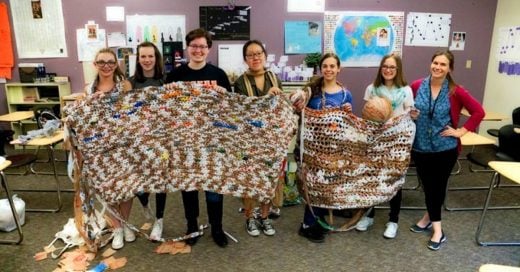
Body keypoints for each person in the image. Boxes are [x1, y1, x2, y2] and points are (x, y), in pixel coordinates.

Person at [409, 50, 484, 251]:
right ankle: (427, 218)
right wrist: (411, 114)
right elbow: (407, 109)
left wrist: (461, 131)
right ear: (430, 64)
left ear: (449, 68)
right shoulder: (416, 86)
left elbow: (479, 112)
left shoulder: (456, 91)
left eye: (443, 64)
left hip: (445, 148)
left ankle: (438, 231)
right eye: (435, 63)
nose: (438, 67)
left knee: (437, 188)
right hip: (421, 147)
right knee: (428, 186)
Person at [165, 28, 232, 248]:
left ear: (209, 49)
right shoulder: (176, 75)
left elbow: (229, 108)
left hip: (212, 140)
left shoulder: (219, 75)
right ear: (188, 47)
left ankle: (216, 227)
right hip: (185, 140)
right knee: (189, 185)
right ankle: (192, 225)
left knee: (214, 186)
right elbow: (165, 108)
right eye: (194, 46)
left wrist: (224, 98)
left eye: (203, 46)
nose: (198, 50)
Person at [292, 53, 353, 243]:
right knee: (312, 184)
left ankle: (317, 218)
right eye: (325, 66)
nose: (328, 69)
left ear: (338, 68)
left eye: (332, 66)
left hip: (333, 147)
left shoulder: (345, 94)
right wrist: (298, 99)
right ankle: (307, 225)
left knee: (326, 184)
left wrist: (348, 112)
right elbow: (297, 103)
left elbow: (348, 123)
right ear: (321, 69)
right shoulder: (312, 90)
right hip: (312, 147)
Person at [355, 54, 414, 239]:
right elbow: (367, 115)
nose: (388, 70)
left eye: (392, 67)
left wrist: (409, 116)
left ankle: (393, 220)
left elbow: (409, 116)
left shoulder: (406, 90)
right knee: (372, 179)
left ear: (398, 70)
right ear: (381, 68)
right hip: (375, 141)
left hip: (397, 142)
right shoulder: (372, 89)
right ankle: (369, 215)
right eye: (385, 66)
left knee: (394, 181)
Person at [233, 40, 283, 237]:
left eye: (258, 53)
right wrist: (265, 99)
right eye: (251, 54)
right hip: (249, 140)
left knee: (268, 179)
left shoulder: (274, 77)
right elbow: (242, 112)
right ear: (246, 59)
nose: (255, 57)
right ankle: (250, 218)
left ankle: (264, 216)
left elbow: (279, 108)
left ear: (265, 55)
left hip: (271, 138)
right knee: (249, 179)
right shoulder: (239, 82)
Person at [85, 48, 133, 250]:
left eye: (110, 62)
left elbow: (132, 113)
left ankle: (124, 223)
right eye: (102, 62)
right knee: (109, 188)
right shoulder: (89, 90)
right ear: (95, 64)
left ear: (116, 65)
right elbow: (87, 119)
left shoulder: (125, 86)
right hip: (100, 147)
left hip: (122, 145)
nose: (106, 66)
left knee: (127, 189)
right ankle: (117, 228)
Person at [125, 41, 166, 241]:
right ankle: (144, 202)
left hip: (161, 138)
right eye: (143, 56)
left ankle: (159, 220)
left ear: (156, 58)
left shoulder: (166, 80)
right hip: (138, 140)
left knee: (160, 182)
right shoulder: (130, 82)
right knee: (140, 185)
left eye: (151, 56)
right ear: (138, 59)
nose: (147, 60)